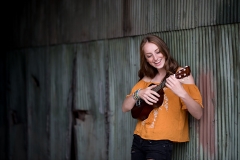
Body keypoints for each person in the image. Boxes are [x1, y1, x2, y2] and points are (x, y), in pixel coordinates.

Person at [121, 35, 203, 160]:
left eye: (158, 52)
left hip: (160, 143)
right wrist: (139, 93)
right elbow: (125, 107)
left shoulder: (181, 75)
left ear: (165, 51)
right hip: (138, 140)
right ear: (146, 59)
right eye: (149, 55)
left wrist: (181, 92)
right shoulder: (146, 78)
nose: (155, 58)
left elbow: (198, 114)